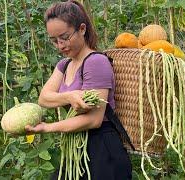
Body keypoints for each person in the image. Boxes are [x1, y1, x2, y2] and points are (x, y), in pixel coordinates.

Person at [25, 1, 132, 179]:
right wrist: (70, 96)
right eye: (54, 41)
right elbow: (44, 98)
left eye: (65, 37)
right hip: (77, 149)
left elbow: (93, 120)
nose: (60, 45)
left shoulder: (96, 62)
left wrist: (47, 128)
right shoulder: (64, 65)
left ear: (82, 29)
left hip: (101, 150)